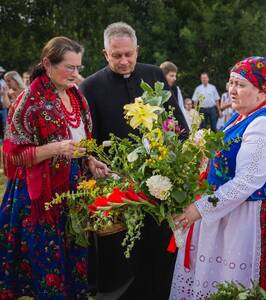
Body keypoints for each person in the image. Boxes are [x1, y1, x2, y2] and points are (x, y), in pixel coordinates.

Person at [170, 56, 266, 299]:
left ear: (262, 91)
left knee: (240, 287)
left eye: (240, 84)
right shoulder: (244, 115)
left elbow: (247, 181)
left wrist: (200, 209)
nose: (231, 90)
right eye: (231, 83)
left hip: (252, 220)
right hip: (230, 212)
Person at [80, 22, 188, 299]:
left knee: (159, 246)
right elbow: (87, 142)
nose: (124, 60)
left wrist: (181, 157)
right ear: (105, 54)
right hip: (117, 184)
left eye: (129, 54)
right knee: (120, 252)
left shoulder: (154, 75)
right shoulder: (90, 87)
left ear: (137, 50)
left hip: (161, 179)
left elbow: (176, 122)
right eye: (117, 55)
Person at [0, 36, 108, 299]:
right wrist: (56, 148)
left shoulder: (76, 97)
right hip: (41, 195)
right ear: (48, 63)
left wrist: (90, 160)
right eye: (69, 67)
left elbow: (82, 142)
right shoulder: (29, 100)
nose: (75, 73)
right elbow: (13, 154)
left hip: (73, 189)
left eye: (78, 68)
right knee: (48, 261)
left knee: (74, 254)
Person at [160, 61, 190, 127]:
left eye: (175, 76)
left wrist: (187, 127)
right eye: (171, 76)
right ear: (163, 76)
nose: (175, 78)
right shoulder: (156, 90)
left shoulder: (176, 90)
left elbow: (181, 109)